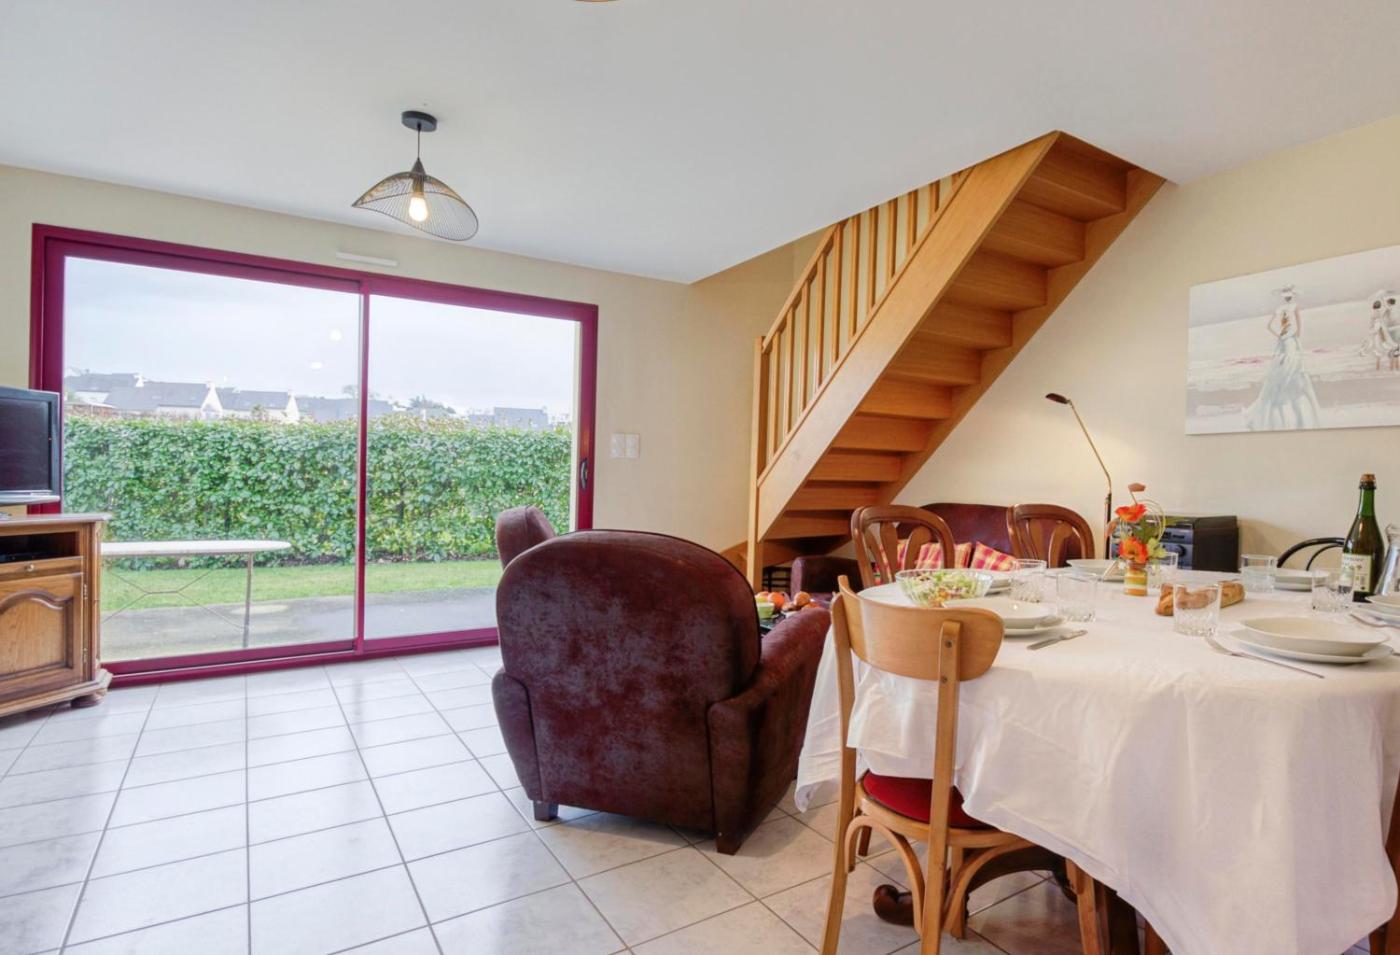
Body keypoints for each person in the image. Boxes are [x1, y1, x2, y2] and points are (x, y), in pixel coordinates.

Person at [1245, 285, 1321, 430]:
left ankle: (1286, 395)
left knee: (1285, 367)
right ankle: (1290, 394)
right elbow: (1298, 324)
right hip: (1290, 340)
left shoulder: (1280, 309)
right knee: (1292, 366)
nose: (1288, 298)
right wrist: (1296, 335)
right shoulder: (1294, 306)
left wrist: (1280, 335)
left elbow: (1269, 326)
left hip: (1283, 340)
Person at [1359, 289, 1400, 372]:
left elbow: (1376, 322)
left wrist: (1381, 297)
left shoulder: (1384, 310)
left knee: (1387, 347)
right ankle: (1394, 365)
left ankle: (1392, 365)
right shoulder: (1389, 310)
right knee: (1392, 346)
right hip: (1390, 328)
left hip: (1389, 328)